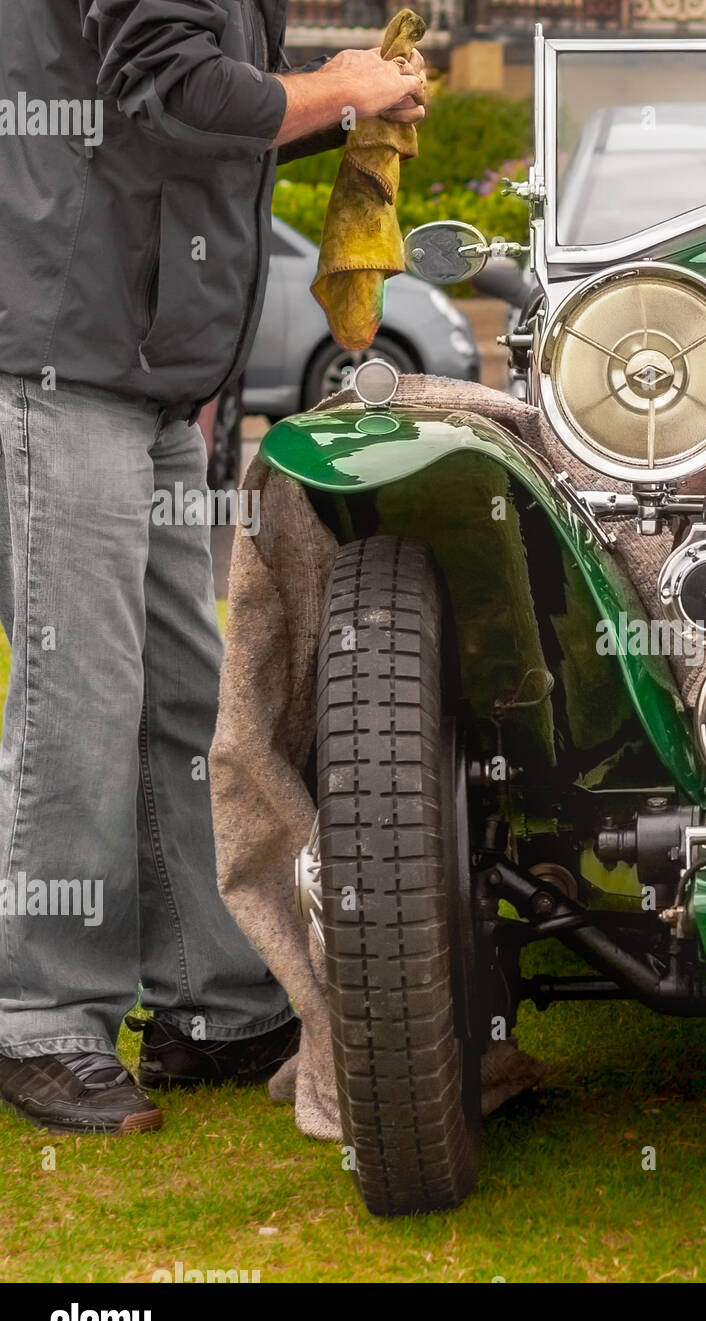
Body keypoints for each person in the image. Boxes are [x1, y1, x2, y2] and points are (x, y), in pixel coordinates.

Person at [0, 1, 425, 1135]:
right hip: (63, 361)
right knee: (78, 698)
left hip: (133, 369)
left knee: (194, 694)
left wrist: (343, 109)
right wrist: (340, 89)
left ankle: (216, 1003)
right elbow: (179, 88)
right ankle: (42, 1018)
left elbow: (179, 112)